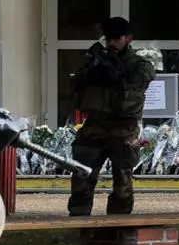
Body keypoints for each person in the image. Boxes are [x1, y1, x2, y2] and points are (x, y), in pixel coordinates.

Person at [67, 16, 156, 215]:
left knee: (122, 183)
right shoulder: (95, 60)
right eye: (109, 39)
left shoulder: (140, 64)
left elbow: (139, 82)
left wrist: (114, 70)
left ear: (128, 39)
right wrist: (91, 71)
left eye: (117, 39)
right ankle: (79, 225)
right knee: (82, 177)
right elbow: (75, 86)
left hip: (123, 129)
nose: (112, 43)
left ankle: (119, 229)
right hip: (94, 126)